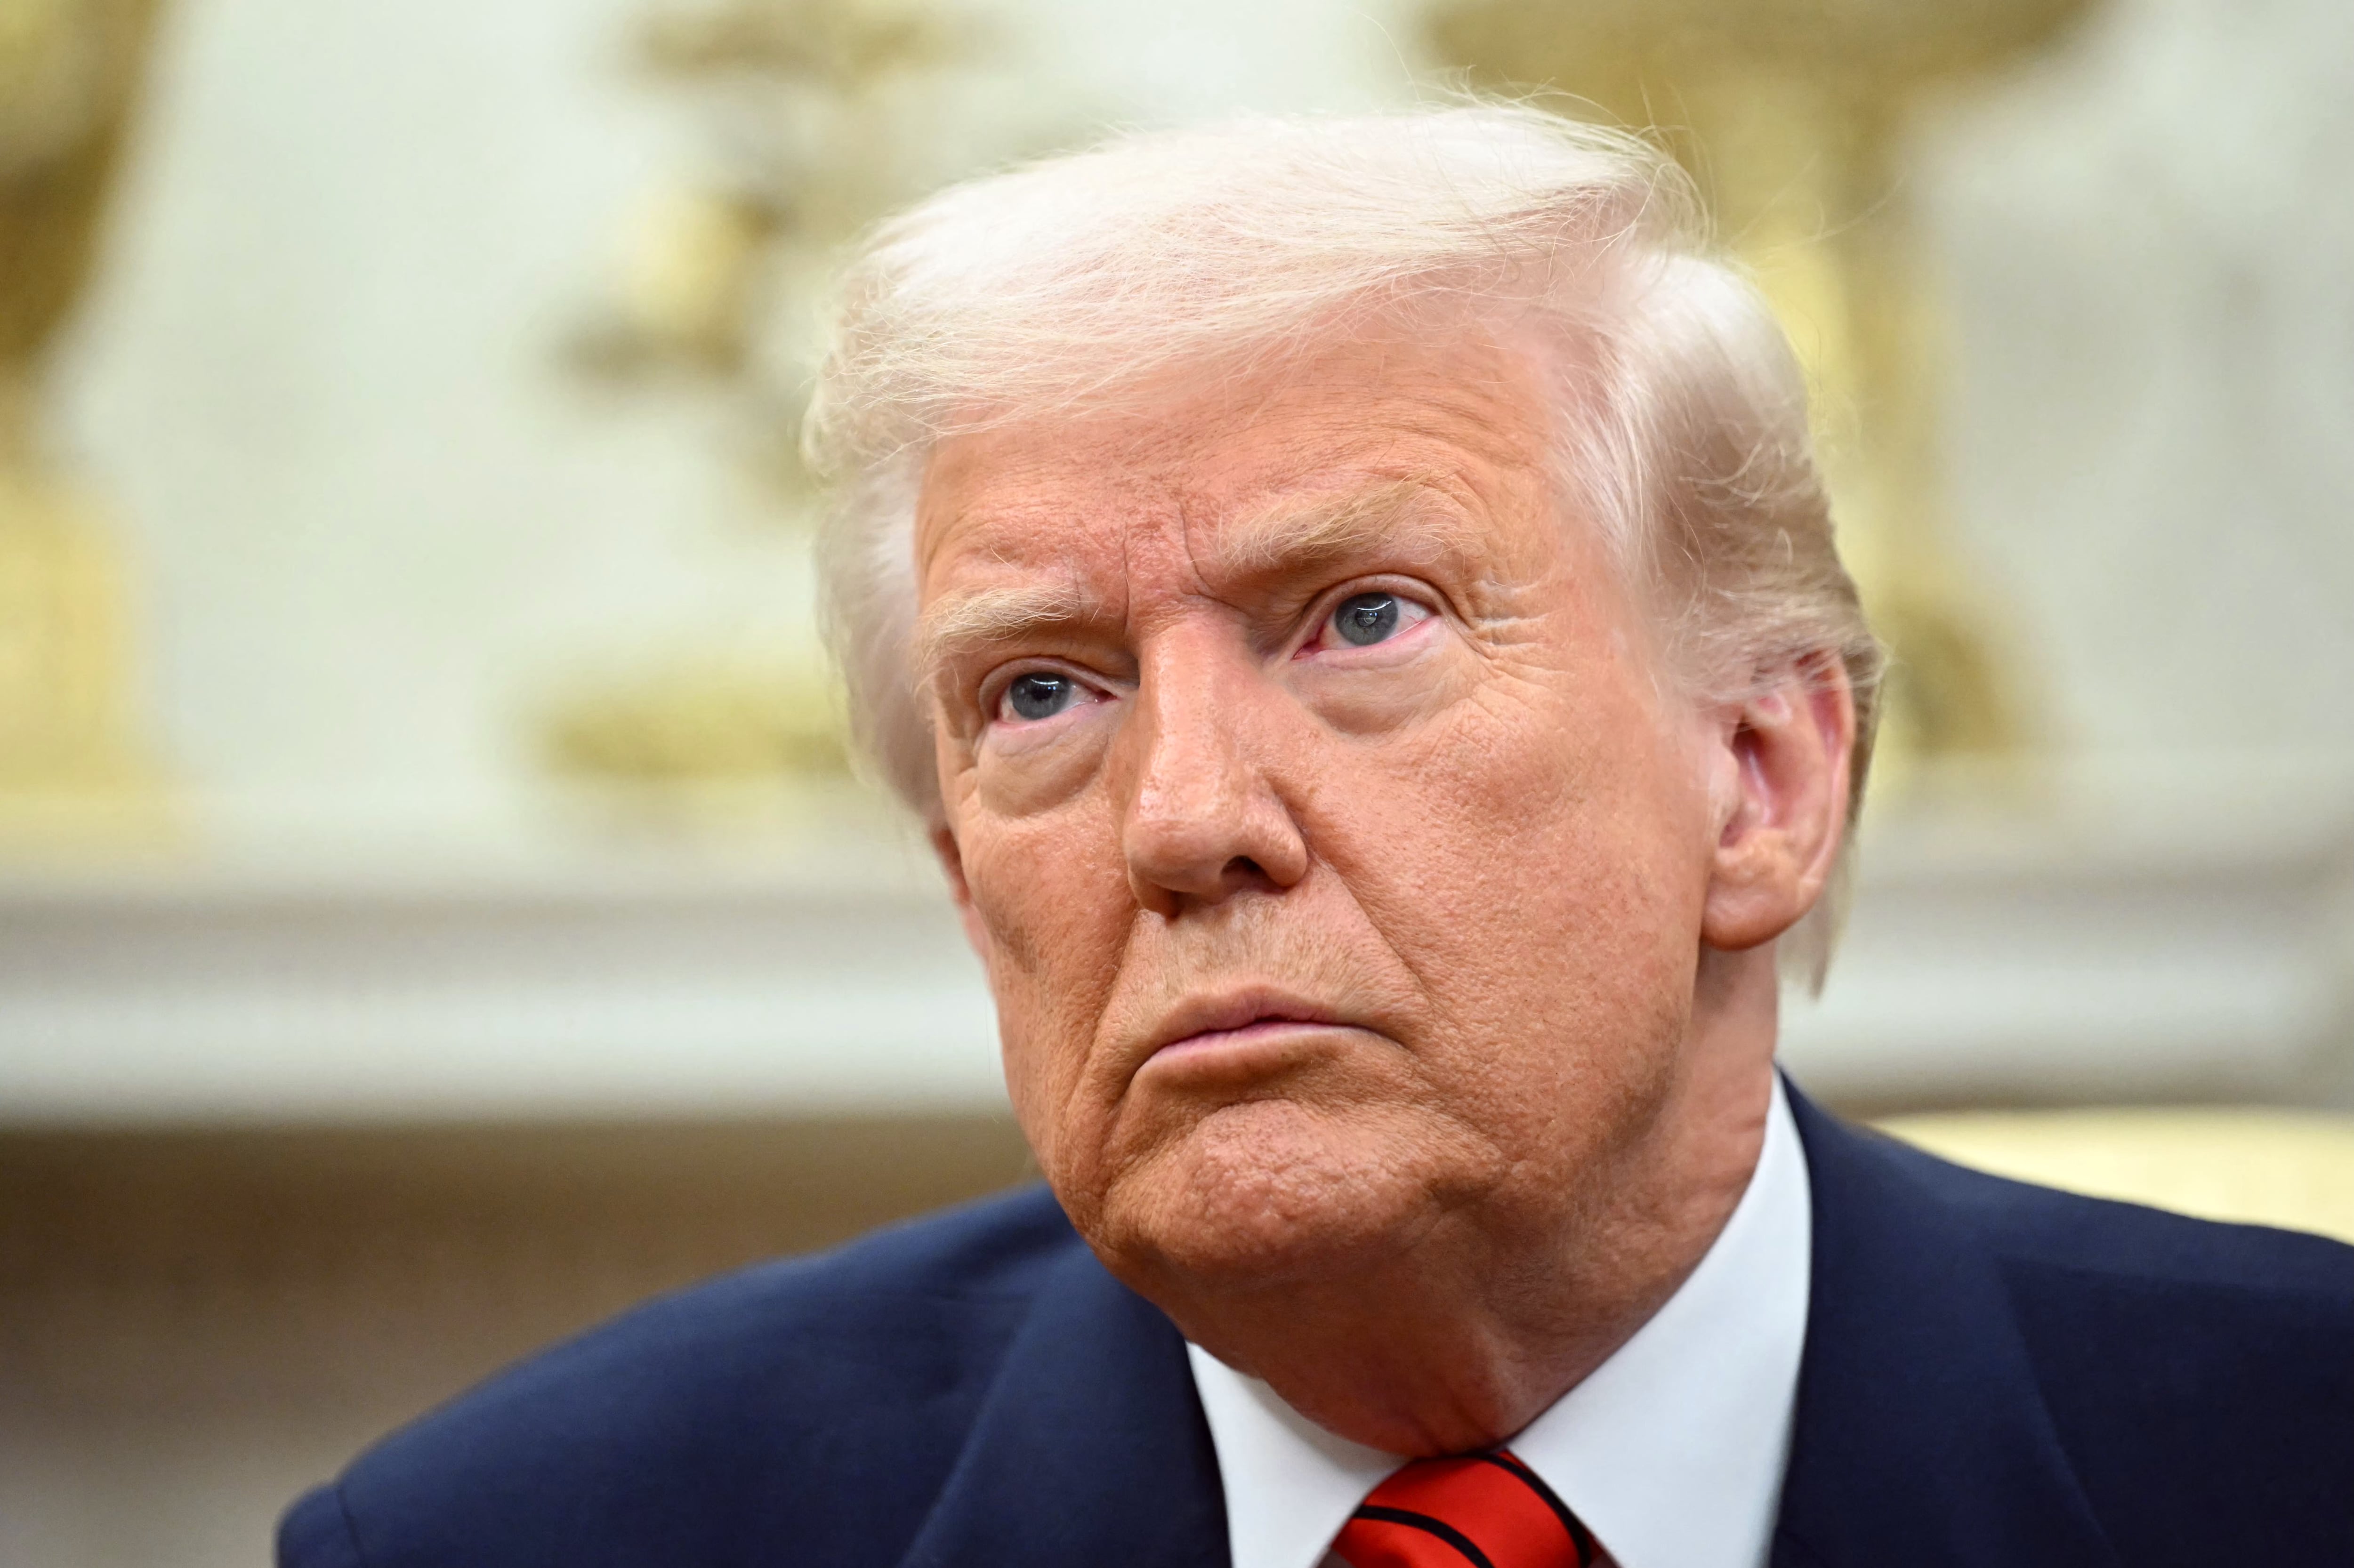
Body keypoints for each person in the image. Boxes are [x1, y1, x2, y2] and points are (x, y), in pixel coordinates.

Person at [278, 105, 2354, 1568]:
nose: (1182, 820)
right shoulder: (527, 1534)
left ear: (1761, 777)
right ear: (958, 876)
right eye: (1042, 691)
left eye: (1363, 619)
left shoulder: (2293, 1460)